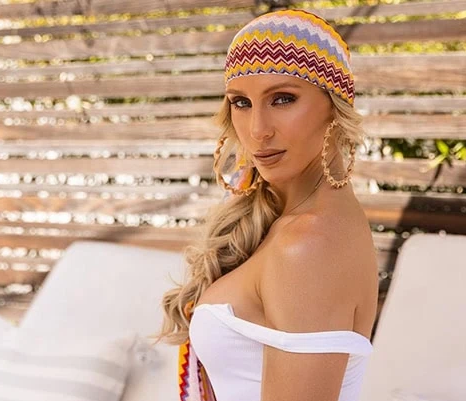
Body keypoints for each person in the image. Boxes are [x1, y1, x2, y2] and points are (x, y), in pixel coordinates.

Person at [155, 8, 379, 401]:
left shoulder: (309, 243)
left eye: (283, 99)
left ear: (335, 104)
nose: (258, 130)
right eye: (241, 103)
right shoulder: (290, 220)